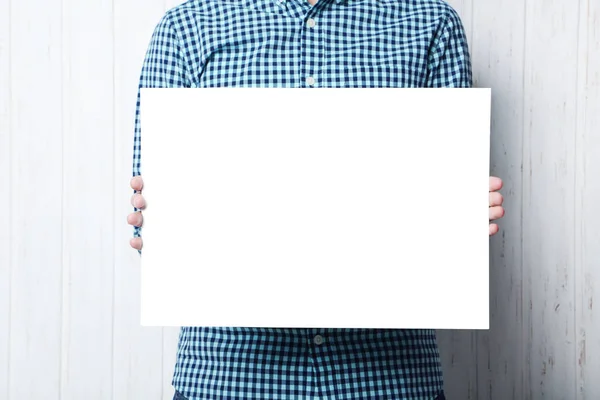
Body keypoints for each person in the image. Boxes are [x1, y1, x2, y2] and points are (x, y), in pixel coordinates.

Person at [127, 0, 505, 398]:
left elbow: (446, 220)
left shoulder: (430, 24)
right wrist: (156, 231)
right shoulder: (187, 28)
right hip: (230, 377)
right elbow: (156, 221)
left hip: (386, 380)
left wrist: (462, 216)